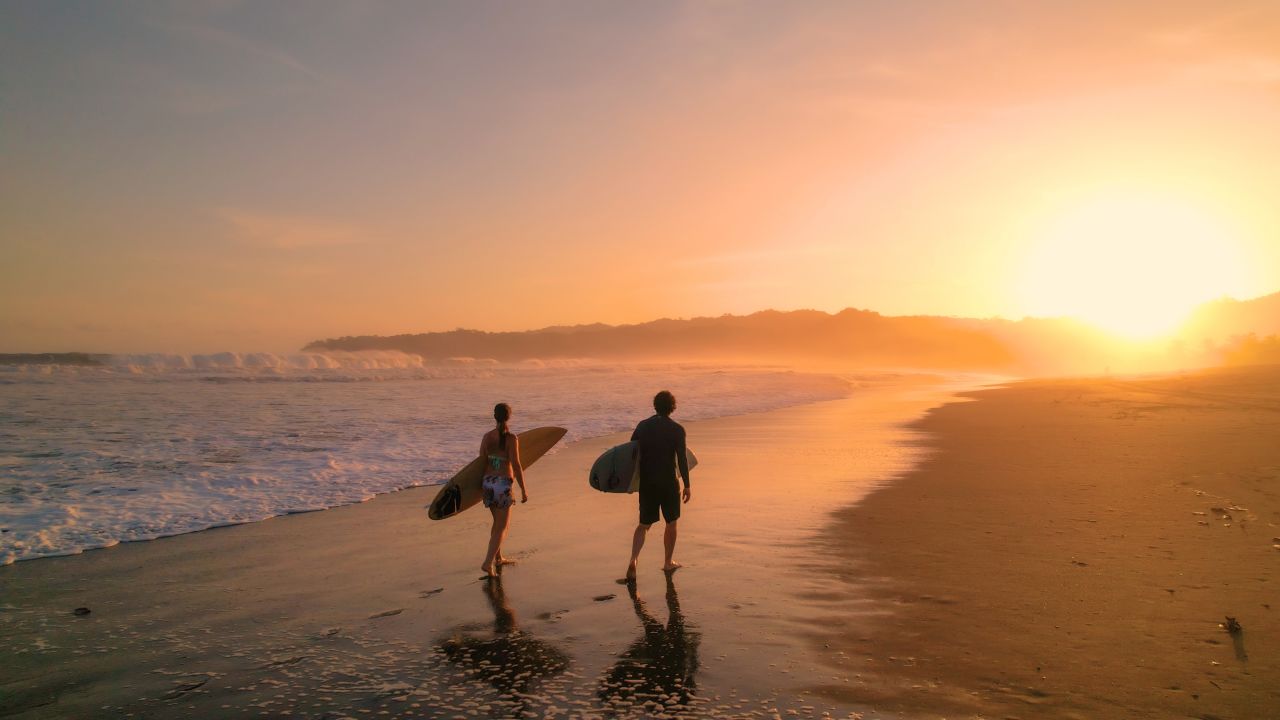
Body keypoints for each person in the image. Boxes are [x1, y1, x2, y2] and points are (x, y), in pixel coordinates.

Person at [624, 390, 690, 581]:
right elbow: (682, 459)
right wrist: (687, 485)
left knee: (643, 525)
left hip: (647, 482)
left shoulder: (642, 426)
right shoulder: (677, 430)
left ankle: (633, 560)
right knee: (671, 523)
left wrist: (630, 483)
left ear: (655, 405)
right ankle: (668, 562)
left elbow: (632, 453)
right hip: (669, 482)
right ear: (673, 407)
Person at [480, 402, 526, 577]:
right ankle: (487, 563)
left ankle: (498, 558)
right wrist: (523, 489)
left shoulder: (486, 437)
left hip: (488, 483)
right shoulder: (511, 438)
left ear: (494, 416)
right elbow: (516, 464)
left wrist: (480, 487)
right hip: (502, 485)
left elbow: (480, 462)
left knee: (496, 523)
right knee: (503, 527)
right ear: (509, 417)